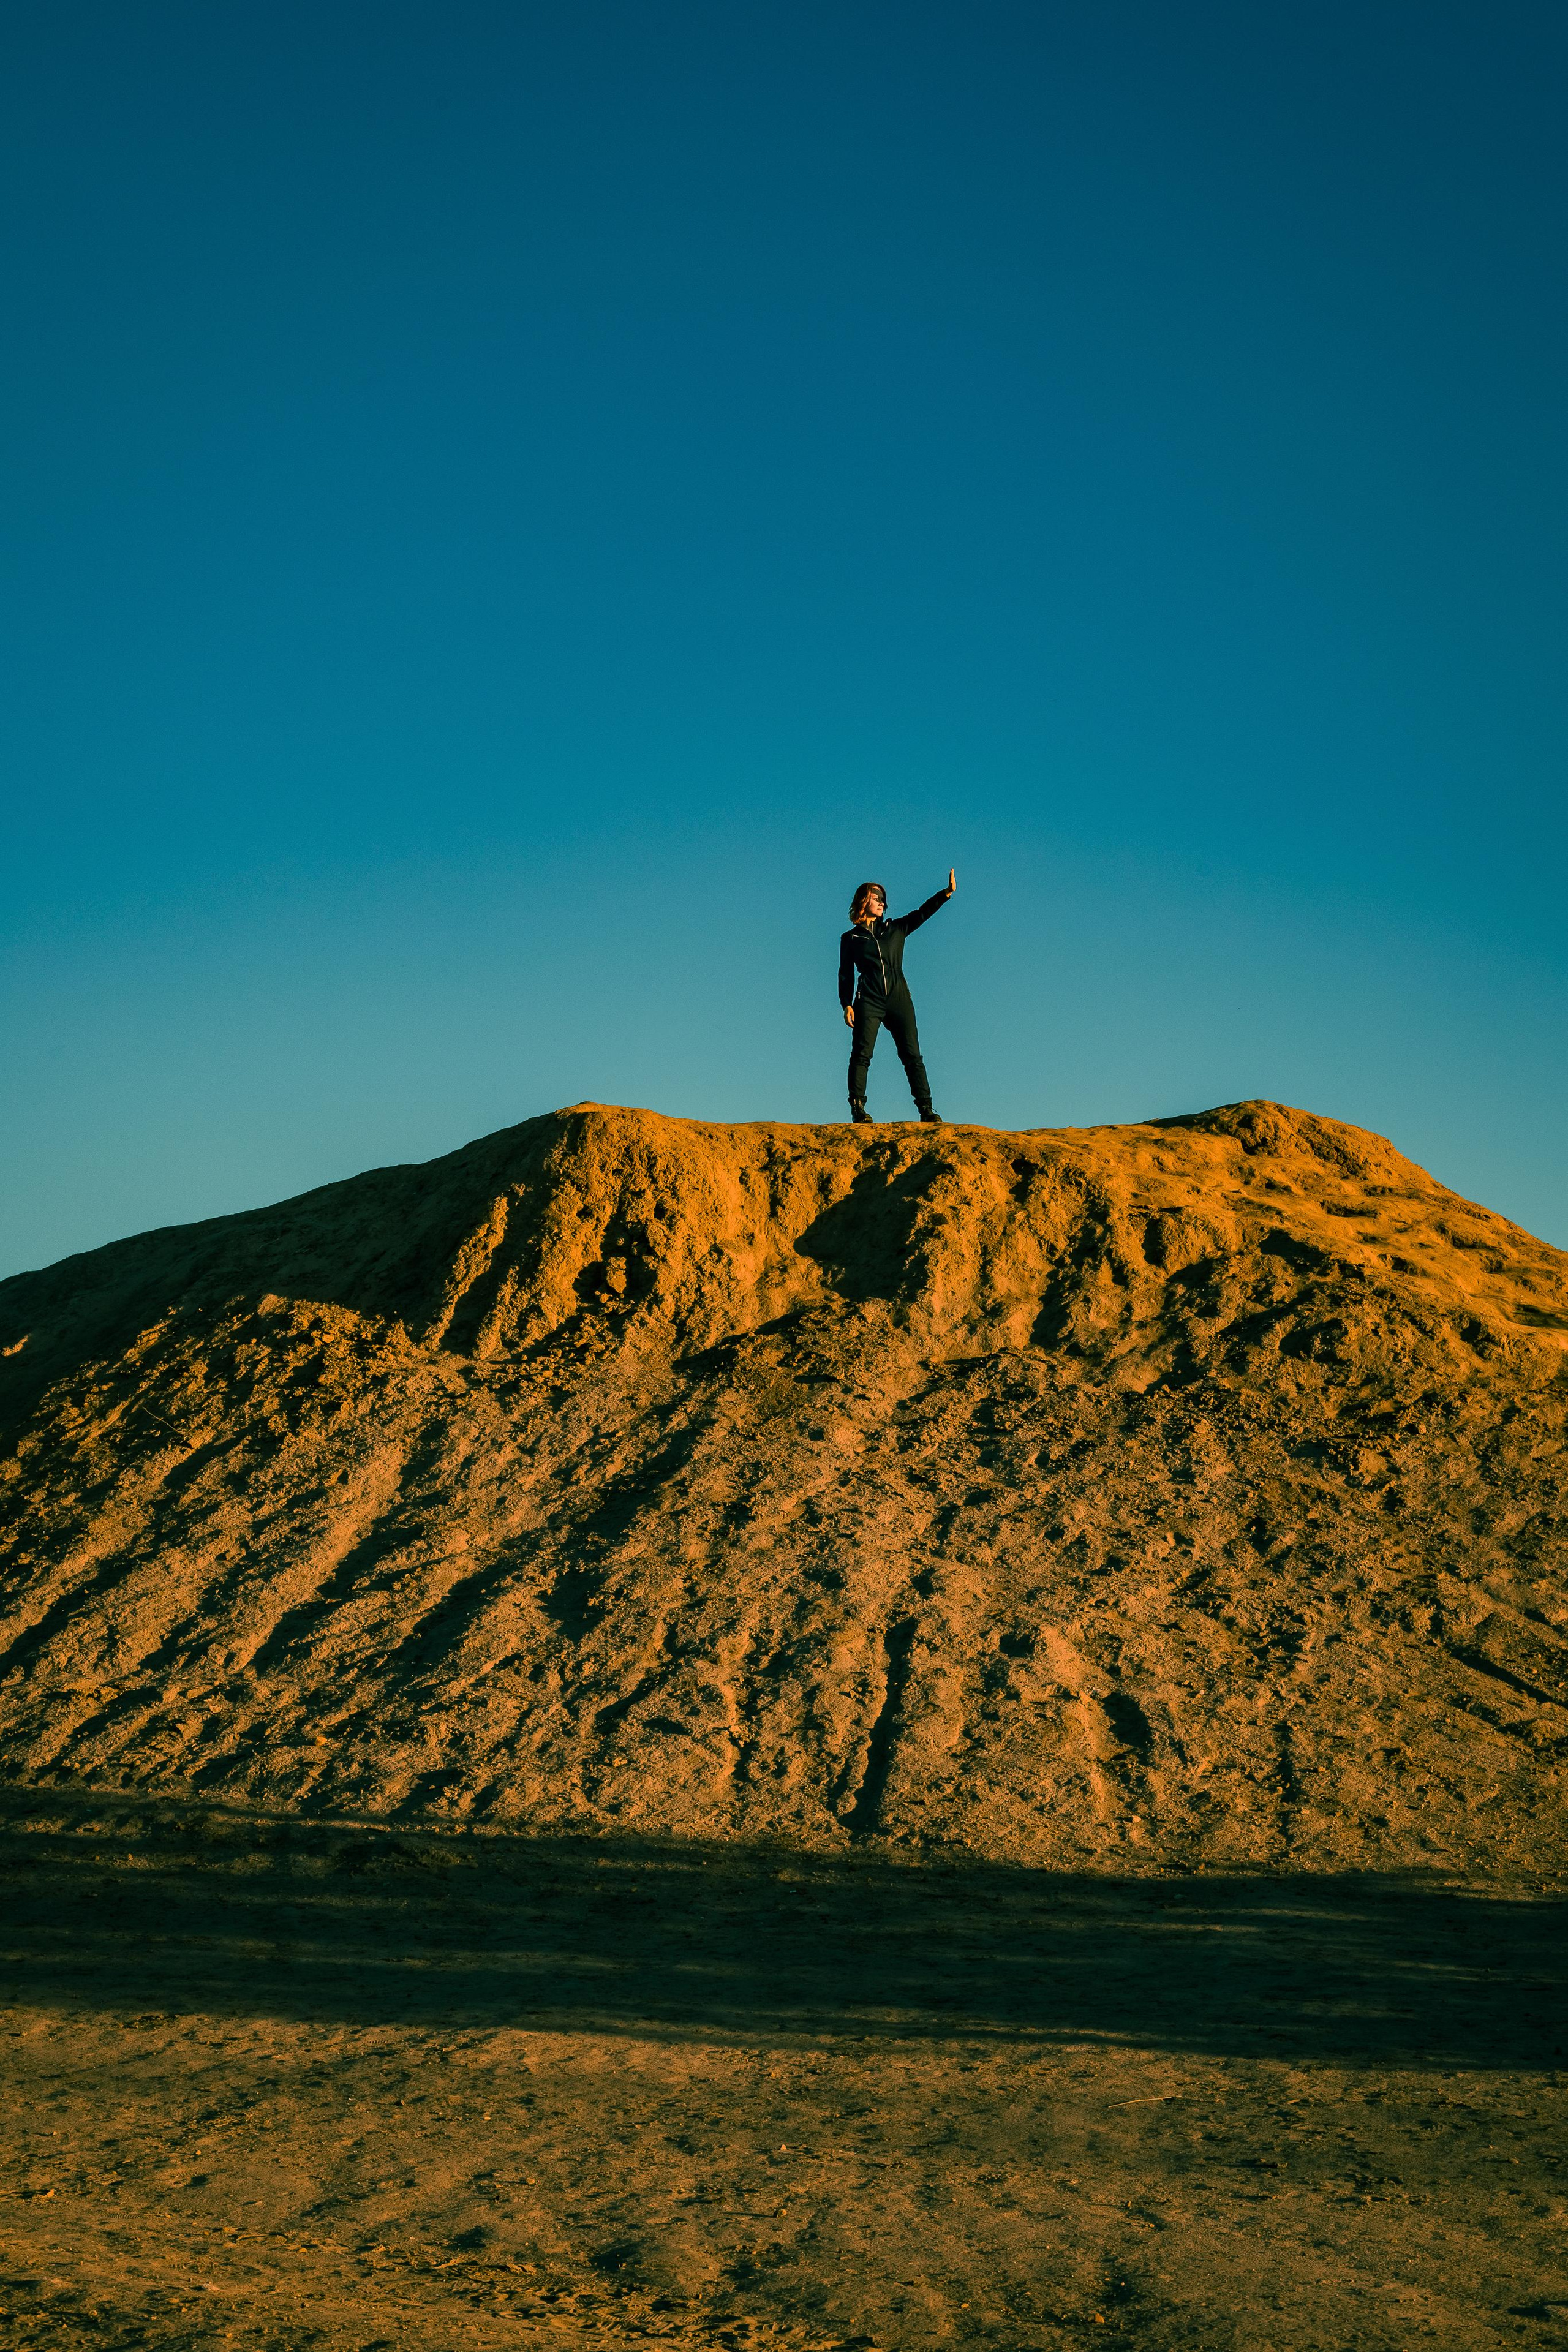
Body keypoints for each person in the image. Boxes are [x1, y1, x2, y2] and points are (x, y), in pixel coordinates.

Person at [837, 869, 956, 1125]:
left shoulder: (896, 928)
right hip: (868, 1000)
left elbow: (922, 913)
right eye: (876, 897)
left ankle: (926, 1109)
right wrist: (846, 1003)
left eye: (883, 898)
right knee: (861, 1054)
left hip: (899, 999)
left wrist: (945, 894)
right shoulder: (850, 939)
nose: (882, 902)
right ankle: (858, 1108)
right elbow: (845, 973)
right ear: (863, 901)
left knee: (912, 1055)